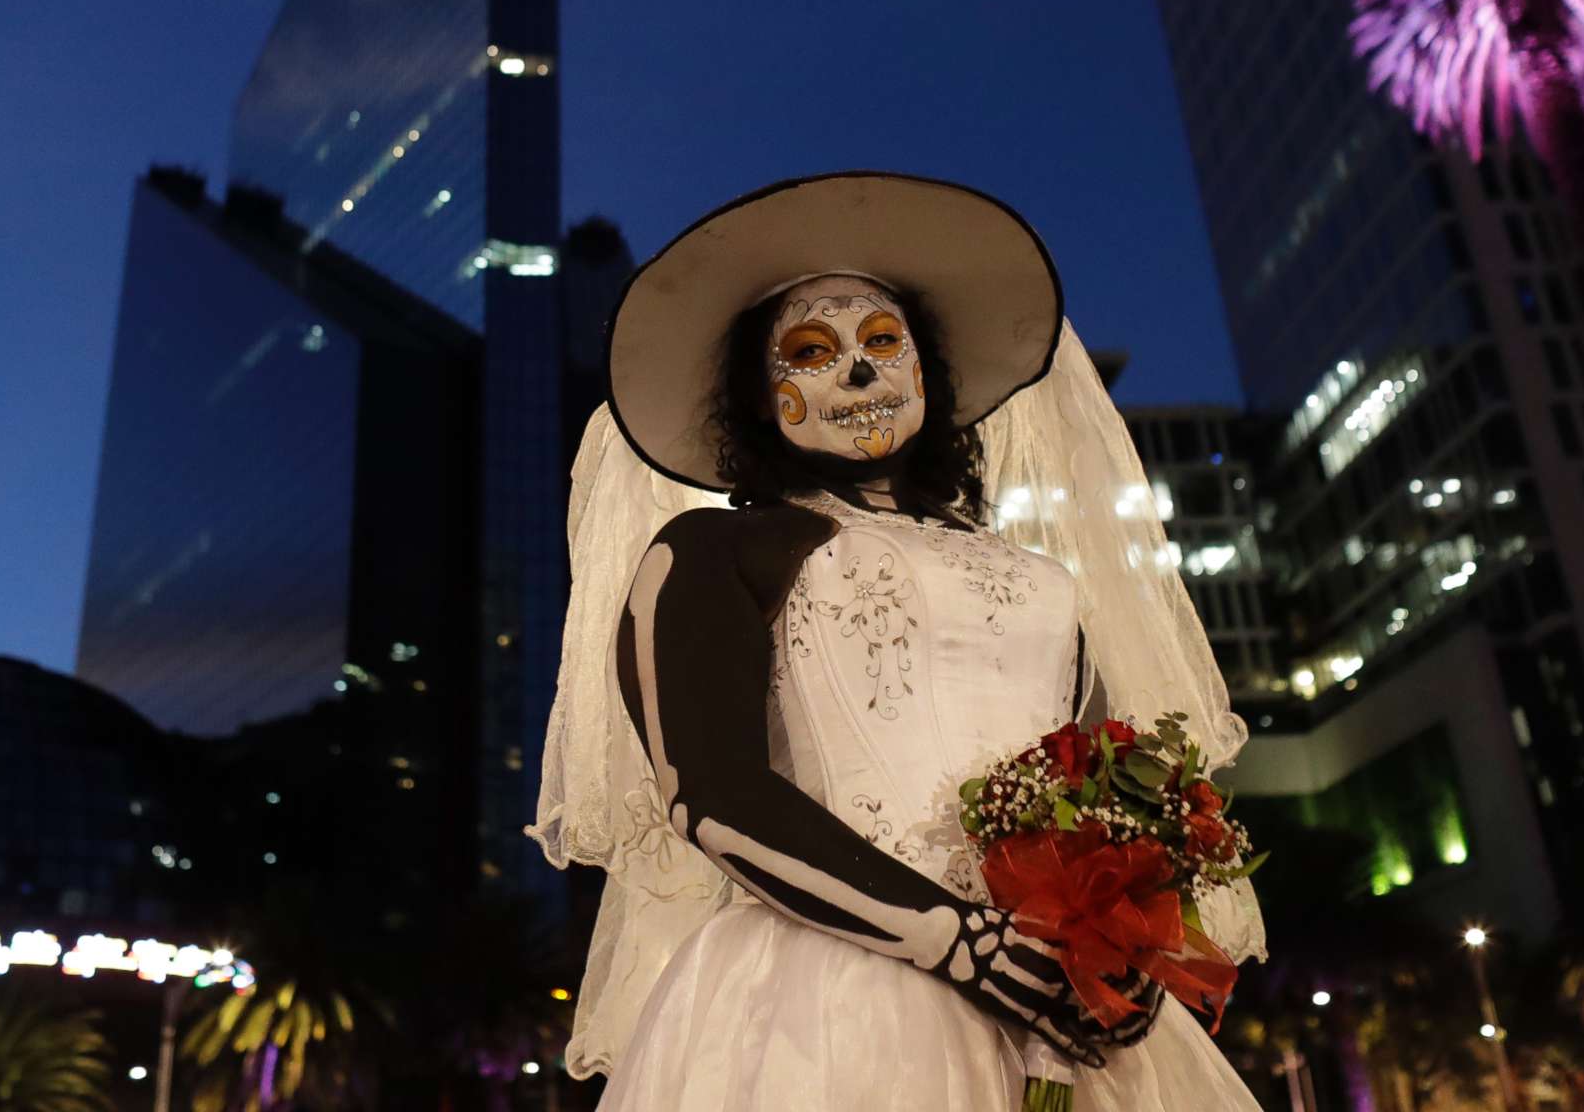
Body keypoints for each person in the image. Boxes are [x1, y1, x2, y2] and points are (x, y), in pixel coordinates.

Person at [529, 172, 1266, 1108]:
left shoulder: (1043, 581)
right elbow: (712, 796)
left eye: (884, 343)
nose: (862, 372)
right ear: (761, 394)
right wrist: (969, 948)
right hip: (827, 1004)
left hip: (1064, 1009)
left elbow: (1098, 778)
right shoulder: (712, 551)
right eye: (813, 351)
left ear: (928, 372)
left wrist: (1116, 945)